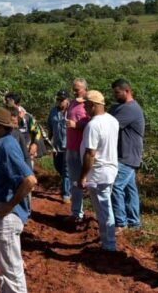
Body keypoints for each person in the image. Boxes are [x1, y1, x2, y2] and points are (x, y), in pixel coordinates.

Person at [0, 105, 38, 293]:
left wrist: (9, 205)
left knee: (12, 272)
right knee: (6, 269)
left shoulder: (7, 147)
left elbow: (30, 180)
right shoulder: (0, 145)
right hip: (3, 218)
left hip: (7, 219)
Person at [78, 90, 119, 252]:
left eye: (86, 105)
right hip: (109, 170)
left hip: (98, 173)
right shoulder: (112, 120)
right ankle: (106, 241)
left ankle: (109, 244)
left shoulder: (93, 125)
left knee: (103, 210)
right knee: (104, 207)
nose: (84, 109)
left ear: (93, 106)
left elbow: (90, 153)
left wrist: (83, 176)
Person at [109, 79, 145, 233]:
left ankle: (121, 223)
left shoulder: (130, 109)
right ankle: (134, 223)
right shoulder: (120, 107)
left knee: (115, 186)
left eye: (117, 92)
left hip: (127, 156)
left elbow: (109, 125)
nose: (115, 95)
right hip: (126, 155)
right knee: (130, 190)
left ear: (127, 91)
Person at [65, 78, 90, 223]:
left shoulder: (87, 104)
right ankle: (77, 212)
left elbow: (92, 123)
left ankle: (78, 214)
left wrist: (77, 125)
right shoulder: (73, 103)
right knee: (74, 181)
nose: (75, 91)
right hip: (71, 147)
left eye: (78, 89)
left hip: (81, 148)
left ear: (85, 89)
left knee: (82, 181)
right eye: (74, 88)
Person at [48, 90, 70, 203]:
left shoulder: (71, 112)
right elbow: (50, 128)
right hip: (57, 146)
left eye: (62, 100)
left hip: (69, 146)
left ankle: (66, 194)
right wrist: (49, 143)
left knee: (66, 170)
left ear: (67, 100)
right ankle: (68, 185)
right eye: (58, 99)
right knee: (58, 167)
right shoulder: (53, 112)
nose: (60, 102)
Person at [4, 92, 40, 160]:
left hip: (25, 153)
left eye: (9, 102)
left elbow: (37, 131)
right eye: (6, 102)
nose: (7, 104)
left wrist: (35, 144)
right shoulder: (4, 116)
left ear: (17, 103)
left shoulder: (28, 117)